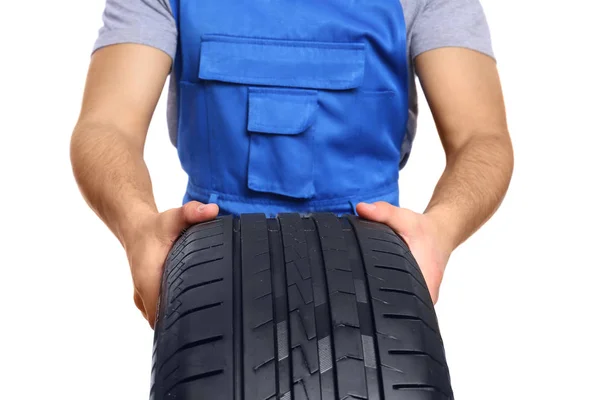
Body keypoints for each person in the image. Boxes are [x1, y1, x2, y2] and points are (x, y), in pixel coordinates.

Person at [71, 0, 513, 328]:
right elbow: (108, 125)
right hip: (211, 284)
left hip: (373, 283)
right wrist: (136, 229)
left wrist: (440, 231)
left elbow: (482, 138)